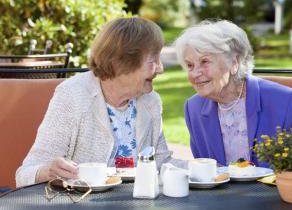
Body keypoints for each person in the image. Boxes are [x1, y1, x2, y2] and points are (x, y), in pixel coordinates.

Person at [16, 17, 185, 187]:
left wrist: (208, 170)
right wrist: (49, 171)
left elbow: (163, 163)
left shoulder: (150, 101)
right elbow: (25, 174)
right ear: (120, 63)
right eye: (153, 59)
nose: (161, 68)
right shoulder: (72, 96)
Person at [174, 20, 292, 167]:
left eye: (205, 61)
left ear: (234, 63)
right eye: (190, 65)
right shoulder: (193, 108)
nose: (195, 73)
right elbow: (205, 170)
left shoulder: (286, 101)